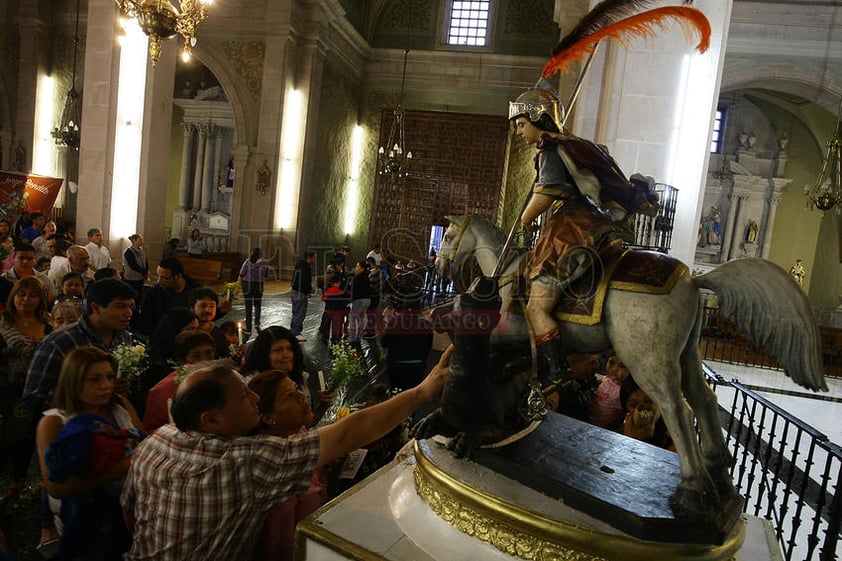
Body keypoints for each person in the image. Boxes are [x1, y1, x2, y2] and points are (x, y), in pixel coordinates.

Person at [121, 348, 452, 560]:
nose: (254, 397)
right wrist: (423, 392)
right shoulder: (246, 461)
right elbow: (349, 434)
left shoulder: (158, 440)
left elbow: (131, 512)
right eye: (243, 396)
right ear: (211, 419)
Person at [508, 85, 641, 390]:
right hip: (592, 221)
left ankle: (554, 372)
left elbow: (546, 192)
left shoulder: (550, 148)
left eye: (521, 124)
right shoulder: (571, 143)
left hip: (571, 226)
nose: (519, 132)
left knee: (536, 307)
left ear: (538, 119)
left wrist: (522, 221)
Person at [36, 347, 144, 561]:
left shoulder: (120, 406)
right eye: (94, 379)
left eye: (109, 377)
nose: (105, 385)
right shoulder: (55, 422)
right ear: (73, 382)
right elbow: (55, 487)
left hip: (131, 514)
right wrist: (119, 469)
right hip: (83, 524)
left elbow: (144, 444)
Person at [247, 369, 329, 561]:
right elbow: (280, 546)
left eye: (296, 389)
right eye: (289, 396)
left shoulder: (298, 431)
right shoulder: (275, 467)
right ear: (268, 417)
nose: (302, 396)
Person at [23, 279, 137, 411]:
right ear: (95, 308)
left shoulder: (124, 337)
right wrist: (84, 392)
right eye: (120, 306)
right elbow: (34, 396)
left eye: (130, 307)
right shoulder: (59, 341)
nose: (128, 313)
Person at [0, 277, 51, 497]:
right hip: (7, 393)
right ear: (13, 296)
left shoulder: (48, 324)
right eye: (22, 294)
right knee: (5, 442)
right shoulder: (2, 322)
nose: (26, 299)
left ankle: (18, 483)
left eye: (33, 295)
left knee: (28, 440)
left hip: (38, 392)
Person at [142, 330, 217, 433]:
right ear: (182, 360)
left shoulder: (220, 380)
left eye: (209, 353)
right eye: (196, 356)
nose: (205, 360)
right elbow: (151, 430)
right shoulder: (164, 390)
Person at [138, 257, 229, 336]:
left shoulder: (195, 290)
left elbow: (202, 317)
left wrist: (220, 311)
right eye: (157, 276)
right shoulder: (154, 293)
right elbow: (146, 323)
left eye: (165, 278)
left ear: (177, 276)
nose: (159, 281)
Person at [380, 299, 433, 390]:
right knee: (413, 394)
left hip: (396, 365)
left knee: (396, 393)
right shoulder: (426, 325)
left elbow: (384, 343)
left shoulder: (395, 322)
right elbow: (429, 346)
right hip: (417, 366)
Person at [619, 376, 673, 450]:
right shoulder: (624, 432)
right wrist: (630, 438)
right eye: (633, 404)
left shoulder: (675, 438)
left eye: (649, 401)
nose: (641, 408)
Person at [587, 353, 629, 431]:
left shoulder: (625, 391)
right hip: (588, 421)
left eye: (622, 366)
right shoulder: (605, 379)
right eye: (611, 363)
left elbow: (620, 415)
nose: (614, 369)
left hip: (605, 429)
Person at [190, 287, 229, 357]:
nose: (208, 310)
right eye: (203, 306)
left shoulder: (218, 334)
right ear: (192, 308)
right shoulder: (185, 331)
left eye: (212, 306)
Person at [238, 247, 269, 334]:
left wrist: (237, 285)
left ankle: (248, 328)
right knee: (257, 305)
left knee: (248, 306)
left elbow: (241, 273)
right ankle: (257, 323)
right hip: (258, 285)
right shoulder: (264, 263)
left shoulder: (248, 261)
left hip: (247, 285)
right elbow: (266, 275)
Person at [290, 251, 315, 341]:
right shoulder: (306, 267)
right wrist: (309, 289)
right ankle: (296, 333)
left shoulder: (299, 265)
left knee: (295, 313)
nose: (314, 260)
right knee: (300, 313)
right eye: (314, 258)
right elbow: (304, 281)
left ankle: (293, 331)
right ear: (310, 258)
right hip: (300, 293)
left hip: (295, 291)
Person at [318, 275, 349, 344]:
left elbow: (324, 298)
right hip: (337, 313)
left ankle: (325, 337)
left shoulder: (329, 290)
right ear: (338, 283)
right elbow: (346, 301)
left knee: (327, 325)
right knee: (336, 326)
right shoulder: (342, 292)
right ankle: (335, 338)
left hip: (328, 311)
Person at [347, 261, 371, 350]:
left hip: (359, 300)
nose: (356, 268)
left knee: (352, 318)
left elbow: (354, 290)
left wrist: (349, 300)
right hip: (367, 300)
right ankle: (358, 337)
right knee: (360, 319)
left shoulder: (358, 278)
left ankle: (352, 338)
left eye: (357, 266)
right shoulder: (366, 277)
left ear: (362, 268)